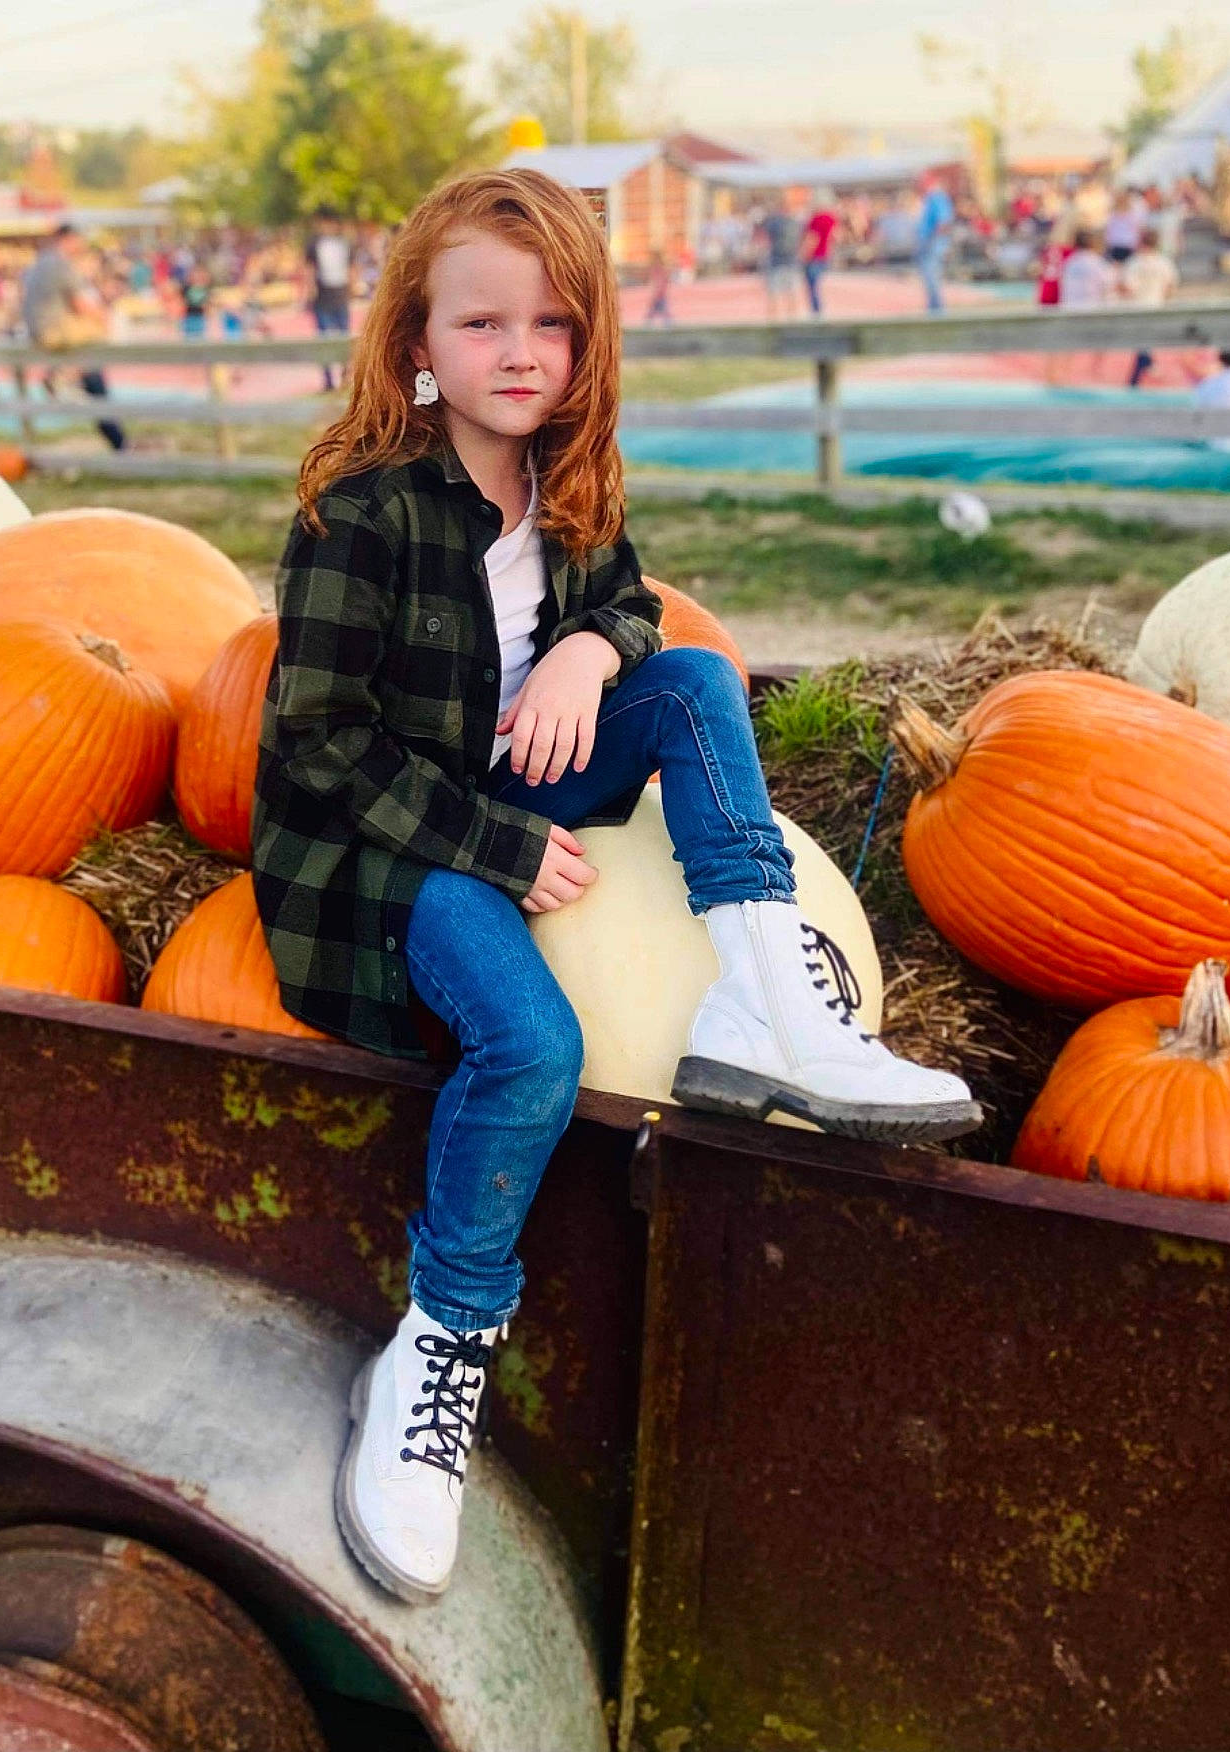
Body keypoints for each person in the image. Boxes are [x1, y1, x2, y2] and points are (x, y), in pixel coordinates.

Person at [253, 167, 979, 1607]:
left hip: (526, 783)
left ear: (588, 344)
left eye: (555, 325)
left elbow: (632, 602)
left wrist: (594, 650)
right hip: (403, 847)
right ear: (417, 338)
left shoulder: (565, 480)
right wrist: (506, 850)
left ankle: (776, 1010)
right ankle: (435, 1353)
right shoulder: (363, 517)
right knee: (535, 1046)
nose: (521, 354)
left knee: (697, 677)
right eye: (483, 323)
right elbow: (316, 745)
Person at [21, 222, 125, 451]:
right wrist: (104, 316)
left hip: (39, 330)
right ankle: (65, 373)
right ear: (68, 239)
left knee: (91, 361)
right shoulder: (60, 264)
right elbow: (82, 305)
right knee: (101, 334)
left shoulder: (38, 263)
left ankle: (69, 372)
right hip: (55, 331)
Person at [1120, 227, 1179, 387]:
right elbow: (1170, 287)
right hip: (1156, 305)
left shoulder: (1134, 262)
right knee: (1146, 344)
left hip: (1138, 307)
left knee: (1142, 344)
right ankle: (1141, 372)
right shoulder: (1164, 262)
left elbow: (1127, 288)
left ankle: (1136, 378)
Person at [307, 207, 354, 390]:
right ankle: (328, 380)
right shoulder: (314, 245)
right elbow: (310, 269)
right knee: (324, 338)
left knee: (344, 338)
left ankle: (345, 376)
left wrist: (351, 288)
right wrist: (309, 290)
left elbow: (351, 267)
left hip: (340, 294)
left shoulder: (344, 244)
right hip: (322, 296)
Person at [914, 172, 955, 313]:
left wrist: (932, 240)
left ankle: (937, 311)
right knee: (929, 278)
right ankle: (934, 309)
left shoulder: (937, 198)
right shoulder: (930, 199)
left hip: (933, 244)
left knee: (932, 277)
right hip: (930, 243)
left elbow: (944, 222)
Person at [761, 194, 803, 321]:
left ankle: (774, 323)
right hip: (789, 262)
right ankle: (791, 323)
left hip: (779, 262)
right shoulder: (796, 222)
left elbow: (764, 239)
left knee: (776, 295)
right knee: (790, 294)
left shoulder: (774, 222)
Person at [801, 188, 837, 316]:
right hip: (825, 255)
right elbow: (835, 237)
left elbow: (812, 239)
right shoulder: (832, 218)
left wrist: (803, 255)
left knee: (813, 288)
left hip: (814, 257)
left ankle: (817, 314)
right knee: (819, 287)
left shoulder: (816, 219)